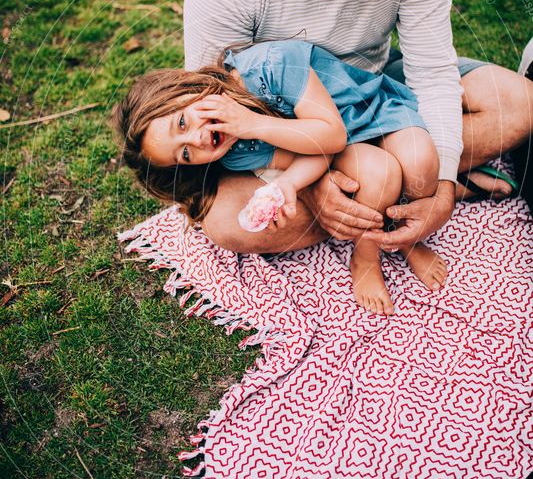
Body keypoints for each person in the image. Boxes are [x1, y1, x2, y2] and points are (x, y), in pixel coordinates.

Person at [183, 0, 533, 256]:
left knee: (520, 103)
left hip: (374, 86)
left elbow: (431, 71)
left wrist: (440, 192)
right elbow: (213, 90)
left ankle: (386, 183)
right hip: (284, 122)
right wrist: (307, 180)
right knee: (228, 224)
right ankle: (392, 182)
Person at [114, 39, 448, 315]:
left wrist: (251, 124)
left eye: (182, 124)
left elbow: (330, 134)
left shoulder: (270, 64)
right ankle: (367, 255)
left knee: (421, 167)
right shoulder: (233, 151)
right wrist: (287, 184)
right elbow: (317, 153)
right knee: (380, 173)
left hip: (368, 110)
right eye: (184, 154)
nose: (197, 141)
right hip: (338, 144)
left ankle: (407, 237)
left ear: (185, 89)